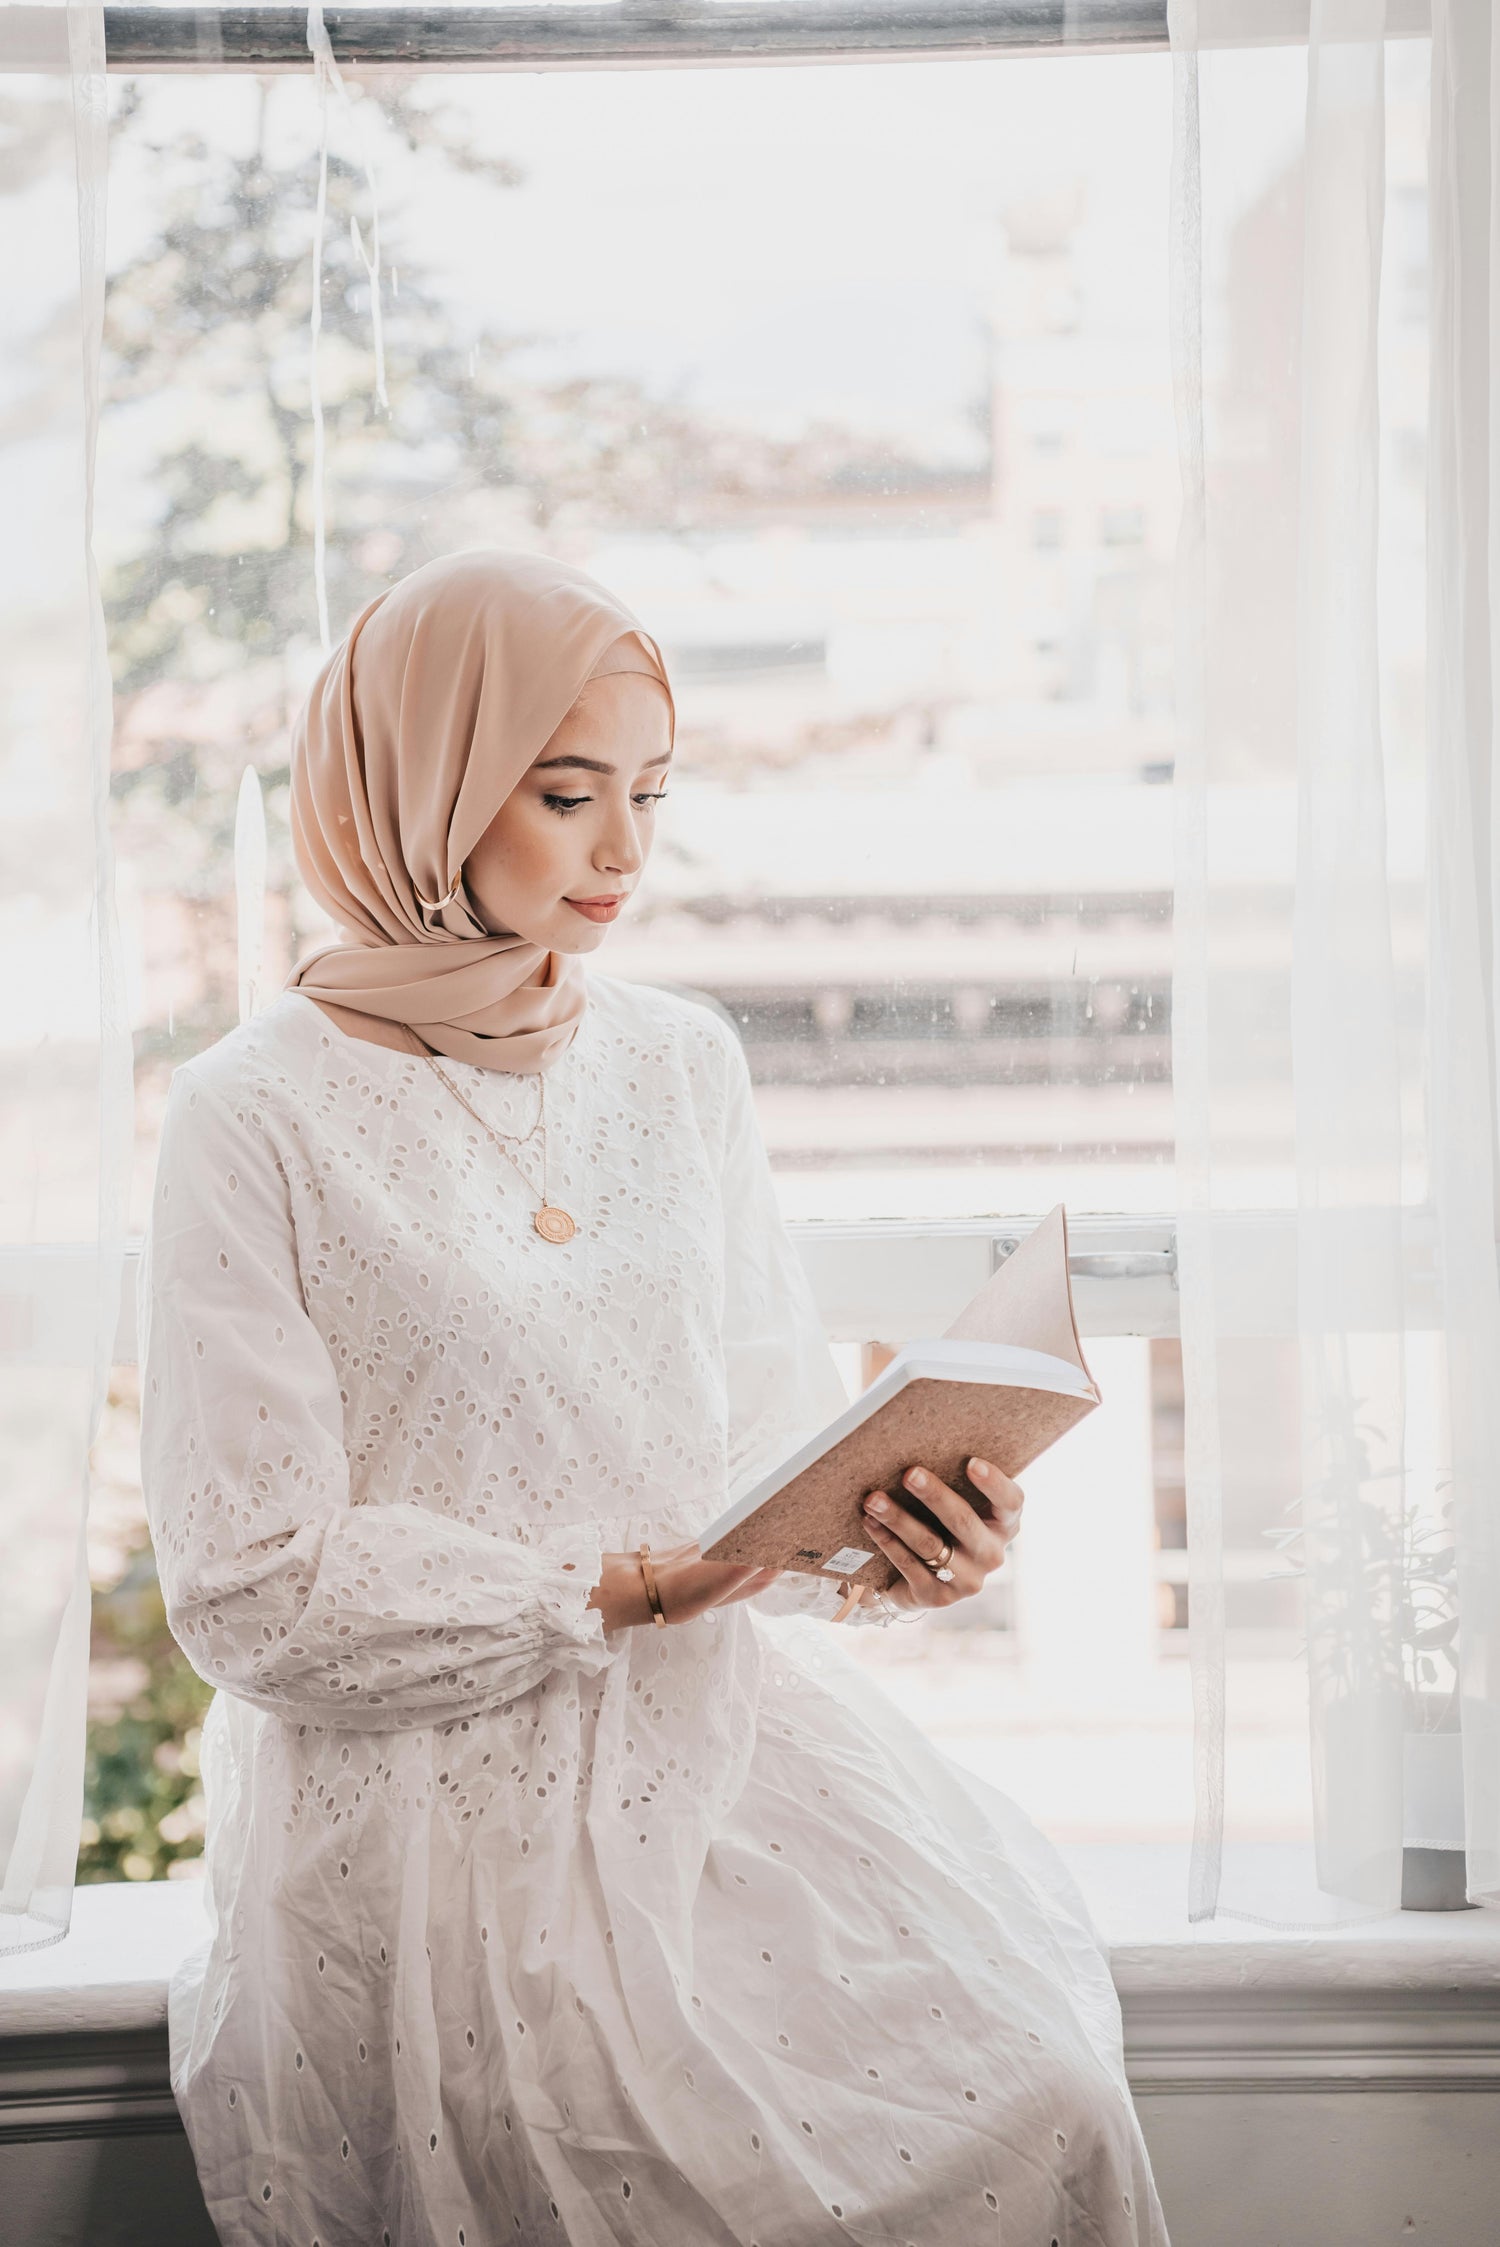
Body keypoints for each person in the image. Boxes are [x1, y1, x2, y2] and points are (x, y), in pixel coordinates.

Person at [139, 548, 1168, 2247]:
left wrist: (899, 1542)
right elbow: (251, 1591)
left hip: (725, 1758)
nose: (625, 851)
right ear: (421, 788)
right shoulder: (253, 1111)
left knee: (1039, 2096)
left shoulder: (680, 1060)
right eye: (563, 794)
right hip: (429, 1814)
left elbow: (762, 1447)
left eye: (652, 793)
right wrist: (609, 1593)